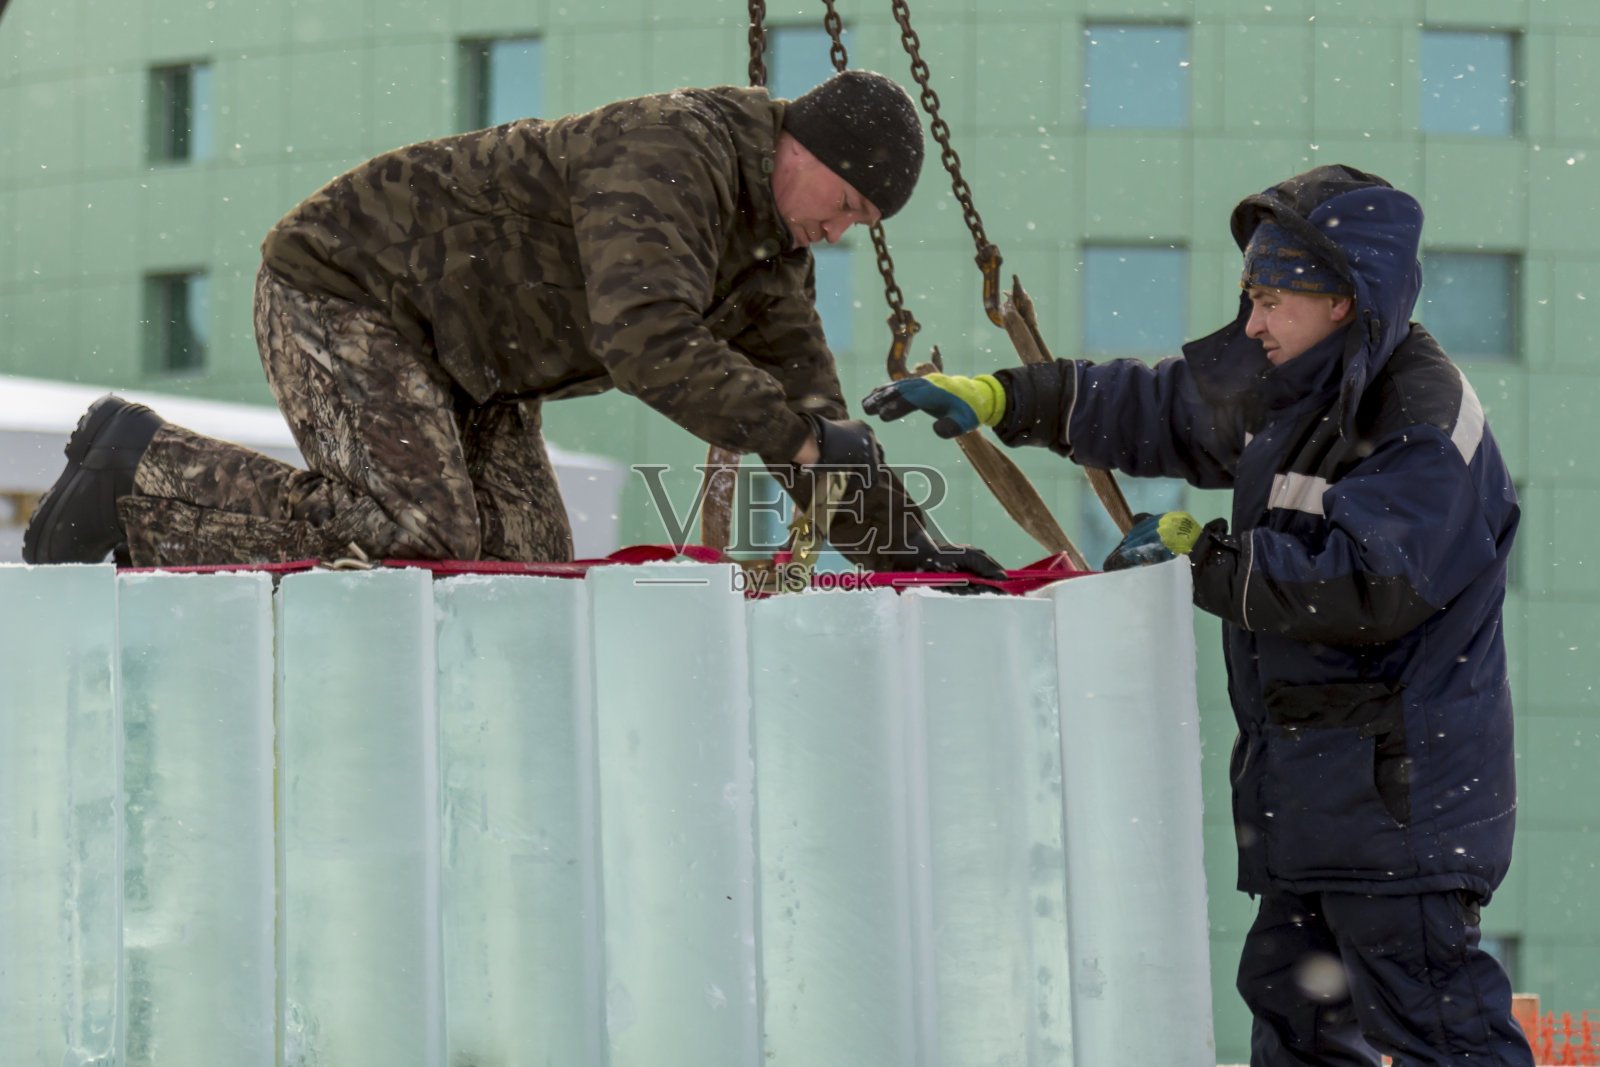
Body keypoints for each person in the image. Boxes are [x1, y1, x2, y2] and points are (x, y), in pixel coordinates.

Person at [864, 164, 1531, 1065]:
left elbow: (1367, 585)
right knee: (1296, 1031)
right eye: (1249, 294)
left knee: (1442, 1033)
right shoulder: (1292, 383)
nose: (1251, 320)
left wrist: (1200, 555)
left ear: (1345, 300)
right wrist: (1002, 398)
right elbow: (1159, 406)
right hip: (1314, 809)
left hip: (1398, 819)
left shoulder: (1420, 417)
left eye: (1273, 298)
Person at [24, 70, 1002, 582]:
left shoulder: (768, 252)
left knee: (519, 578)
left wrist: (905, 550)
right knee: (421, 534)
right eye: (847, 209)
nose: (836, 235)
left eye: (855, 230)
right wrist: (791, 433)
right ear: (808, 148)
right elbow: (646, 339)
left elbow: (810, 416)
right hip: (350, 285)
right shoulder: (675, 151)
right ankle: (141, 471)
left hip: (472, 366)